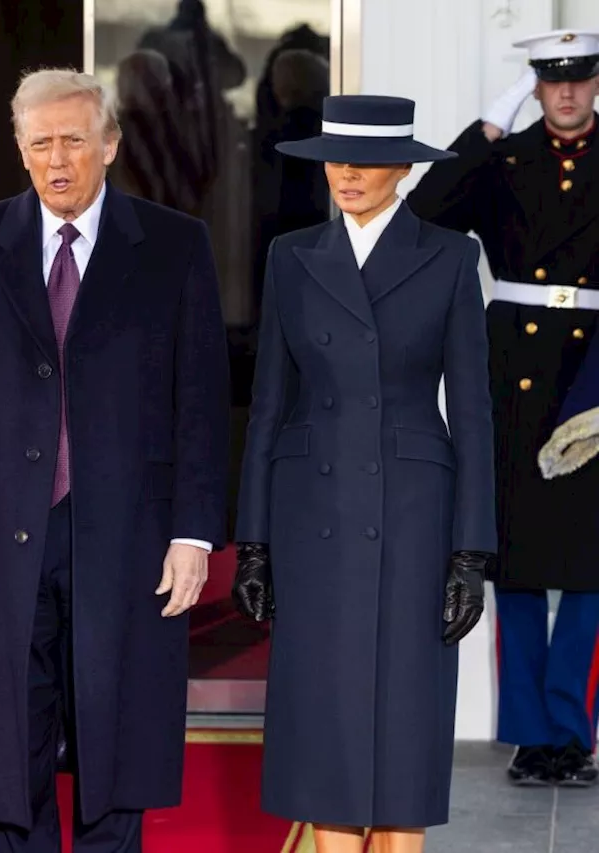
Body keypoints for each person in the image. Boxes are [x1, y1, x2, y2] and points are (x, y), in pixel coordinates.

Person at [0, 68, 230, 852]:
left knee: (119, 729)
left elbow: (201, 404)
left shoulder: (175, 245)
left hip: (129, 536)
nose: (58, 159)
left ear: (109, 145)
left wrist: (193, 534)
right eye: (40, 142)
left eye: (74, 141)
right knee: (9, 738)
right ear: (19, 149)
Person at [232, 95, 495, 853]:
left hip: (414, 517)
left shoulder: (449, 256)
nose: (346, 172)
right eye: (335, 158)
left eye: (366, 159)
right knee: (325, 732)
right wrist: (253, 542)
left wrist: (470, 553)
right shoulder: (291, 254)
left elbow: (473, 411)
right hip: (310, 513)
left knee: (404, 730)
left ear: (404, 171)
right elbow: (268, 408)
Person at [407, 28, 599, 786]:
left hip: (592, 371)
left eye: (580, 79)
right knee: (516, 563)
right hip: (514, 370)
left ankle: (571, 730)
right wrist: (486, 130)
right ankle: (528, 732)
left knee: (587, 569)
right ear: (535, 87)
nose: (567, 93)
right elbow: (427, 210)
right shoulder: (507, 158)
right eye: (551, 81)